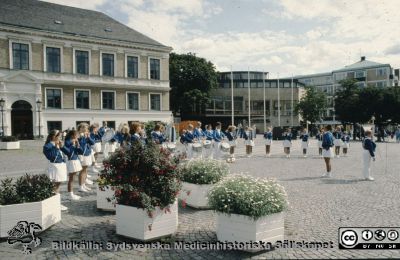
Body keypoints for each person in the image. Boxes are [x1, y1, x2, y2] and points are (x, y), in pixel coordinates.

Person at [43, 130, 68, 211]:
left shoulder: (58, 144)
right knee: (54, 186)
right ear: (53, 136)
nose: (60, 137)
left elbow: (68, 152)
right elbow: (52, 157)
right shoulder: (47, 146)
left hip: (61, 166)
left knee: (57, 185)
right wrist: (55, 147)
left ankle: (55, 203)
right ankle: (55, 204)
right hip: (55, 167)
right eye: (59, 136)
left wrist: (62, 146)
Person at [62, 130, 83, 201]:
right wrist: (73, 142)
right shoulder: (68, 141)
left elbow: (80, 151)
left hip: (75, 159)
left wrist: (78, 145)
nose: (78, 136)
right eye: (77, 135)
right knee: (71, 178)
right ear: (72, 135)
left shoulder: (75, 141)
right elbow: (67, 147)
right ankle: (70, 194)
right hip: (71, 160)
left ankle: (71, 193)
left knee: (73, 178)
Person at [77, 123, 94, 193]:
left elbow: (92, 142)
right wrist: (83, 137)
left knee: (85, 170)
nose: (85, 129)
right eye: (84, 127)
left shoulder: (86, 135)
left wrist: (88, 137)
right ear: (80, 128)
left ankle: (83, 184)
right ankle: (80, 186)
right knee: (82, 171)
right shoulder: (78, 135)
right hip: (82, 154)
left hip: (87, 153)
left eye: (86, 128)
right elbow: (81, 145)